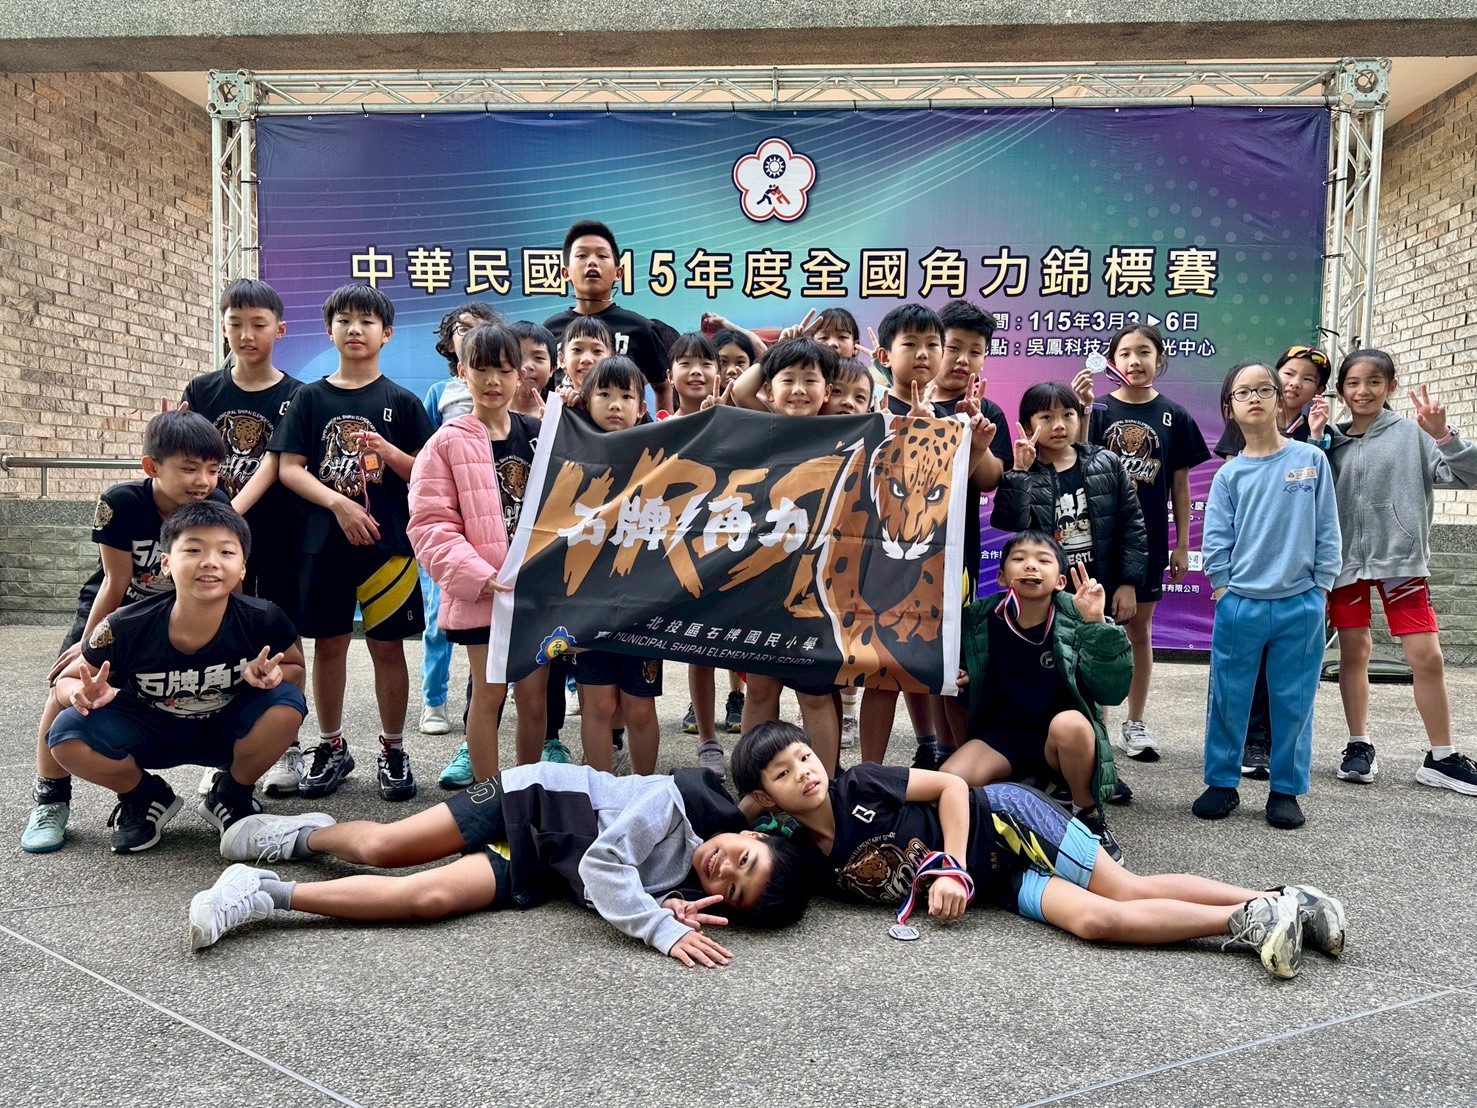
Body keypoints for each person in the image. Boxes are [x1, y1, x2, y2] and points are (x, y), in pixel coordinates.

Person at [732, 723, 1345, 980]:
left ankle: (1275, 900)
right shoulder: (805, 857)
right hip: (995, 883)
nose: (804, 773)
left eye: (805, 756)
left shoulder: (860, 783)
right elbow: (725, 846)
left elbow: (951, 787)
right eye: (783, 773)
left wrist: (950, 867)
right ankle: (1255, 916)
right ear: (765, 798)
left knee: (1125, 888)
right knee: (1097, 922)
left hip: (1006, 821)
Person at [190, 763, 812, 967]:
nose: (723, 870)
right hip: (531, 797)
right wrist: (657, 926)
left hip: (543, 861)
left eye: (733, 890)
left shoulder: (689, 883)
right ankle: (303, 838)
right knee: (386, 848)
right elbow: (605, 864)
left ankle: (263, 892)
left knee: (427, 900)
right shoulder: (675, 800)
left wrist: (667, 904)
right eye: (744, 857)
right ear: (750, 832)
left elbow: (610, 884)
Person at [21, 409, 231, 854]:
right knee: (66, 687)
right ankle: (51, 801)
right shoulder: (121, 503)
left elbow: (226, 573)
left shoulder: (216, 503)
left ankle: (222, 781)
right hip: (118, 606)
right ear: (152, 466)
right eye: (189, 469)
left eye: (213, 469)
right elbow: (115, 583)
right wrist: (87, 646)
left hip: (178, 611)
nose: (203, 481)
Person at [46, 500, 306, 854]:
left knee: (287, 704)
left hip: (224, 729)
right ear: (166, 563)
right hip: (149, 730)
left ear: (242, 567)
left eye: (226, 552)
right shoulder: (125, 625)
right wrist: (78, 691)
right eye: (194, 549)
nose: (210, 561)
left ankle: (231, 794)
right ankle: (144, 797)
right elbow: (65, 681)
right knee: (66, 734)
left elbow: (294, 669)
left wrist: (271, 675)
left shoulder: (264, 619)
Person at [270, 283, 435, 803]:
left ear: (387, 334)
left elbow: (425, 474)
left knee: (388, 648)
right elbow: (290, 468)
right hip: (323, 546)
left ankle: (394, 749)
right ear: (329, 330)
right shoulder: (309, 398)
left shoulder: (402, 402)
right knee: (329, 646)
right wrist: (338, 505)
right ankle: (331, 745)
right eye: (344, 320)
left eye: (367, 321)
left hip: (389, 550)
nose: (354, 329)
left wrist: (388, 452)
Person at [1319, 349, 1477, 795]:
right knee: (1354, 652)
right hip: (1345, 564)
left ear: (1390, 387)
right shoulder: (1329, 440)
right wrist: (1314, 440)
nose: (1363, 391)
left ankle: (1442, 757)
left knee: (1427, 657)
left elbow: (1468, 475)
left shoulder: (1413, 434)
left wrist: (1443, 435)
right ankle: (1358, 744)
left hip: (1400, 562)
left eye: (1374, 381)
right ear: (1340, 390)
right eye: (1353, 383)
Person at [862, 302, 1007, 770]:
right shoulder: (876, 408)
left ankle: (955, 765)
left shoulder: (979, 412)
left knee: (949, 665)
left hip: (951, 562)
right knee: (883, 667)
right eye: (952, 347)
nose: (960, 359)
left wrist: (975, 441)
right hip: (882, 560)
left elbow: (989, 479)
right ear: (889, 355)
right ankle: (874, 772)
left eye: (973, 351)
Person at [1195, 363, 1340, 829]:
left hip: (1301, 602)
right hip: (1240, 603)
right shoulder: (1230, 474)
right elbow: (1216, 539)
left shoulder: (1310, 460)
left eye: (1264, 389)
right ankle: (1221, 783)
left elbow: (1327, 528)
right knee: (1229, 697)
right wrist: (1223, 588)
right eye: (1242, 392)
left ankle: (1286, 789)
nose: (1254, 397)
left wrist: (1321, 588)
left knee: (1293, 701)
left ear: (1280, 399)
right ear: (1229, 408)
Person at [179, 280, 304, 797]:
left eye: (258, 324)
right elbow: (183, 453)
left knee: (278, 636)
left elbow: (274, 462)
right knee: (219, 635)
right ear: (223, 327)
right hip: (212, 539)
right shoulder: (202, 390)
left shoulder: (296, 394)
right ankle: (225, 747)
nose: (246, 335)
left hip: (276, 535)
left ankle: (287, 744)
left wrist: (228, 514)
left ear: (280, 329)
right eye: (236, 324)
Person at [409, 322, 546, 788]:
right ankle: (489, 798)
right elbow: (429, 525)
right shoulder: (445, 442)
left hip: (535, 595)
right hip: (484, 593)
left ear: (520, 374)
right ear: (462, 372)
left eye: (504, 370)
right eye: (482, 369)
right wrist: (478, 575)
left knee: (534, 698)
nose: (493, 381)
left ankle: (526, 790)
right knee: (488, 695)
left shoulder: (539, 435)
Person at [939, 531, 1128, 859]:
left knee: (1071, 724)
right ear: (1001, 577)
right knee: (949, 782)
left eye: (1043, 560)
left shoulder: (1079, 616)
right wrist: (964, 676)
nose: (1030, 566)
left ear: (1060, 581)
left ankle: (1087, 813)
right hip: (1001, 738)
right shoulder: (979, 619)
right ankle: (1019, 790)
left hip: (1057, 740)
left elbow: (1112, 690)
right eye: (1019, 559)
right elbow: (957, 677)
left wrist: (1096, 623)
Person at [1077, 324, 1211, 763]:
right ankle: (1093, 724)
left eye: (1144, 352)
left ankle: (1134, 723)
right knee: (1091, 631)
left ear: (1160, 359)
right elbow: (1076, 462)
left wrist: (1181, 544)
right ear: (1113, 360)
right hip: (1097, 541)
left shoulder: (1175, 415)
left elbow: (1180, 485)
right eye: (1126, 353)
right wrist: (1082, 410)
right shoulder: (1097, 410)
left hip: (1149, 542)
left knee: (1139, 632)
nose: (1135, 361)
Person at [725, 337, 846, 772]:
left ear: (827, 391)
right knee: (760, 690)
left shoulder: (841, 431)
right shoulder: (767, 424)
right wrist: (776, 351)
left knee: (815, 695)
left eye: (810, 380)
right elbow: (740, 391)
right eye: (787, 380)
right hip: (763, 582)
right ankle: (757, 782)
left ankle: (824, 789)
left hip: (815, 589)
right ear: (769, 390)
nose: (798, 390)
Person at [563, 356, 668, 774]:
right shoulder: (570, 446)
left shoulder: (660, 451)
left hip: (643, 607)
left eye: (626, 396)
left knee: (640, 707)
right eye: (603, 394)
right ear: (585, 401)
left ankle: (644, 789)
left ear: (641, 407)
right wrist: (565, 408)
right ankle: (599, 790)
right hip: (587, 605)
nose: (615, 404)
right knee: (598, 704)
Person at [417, 301, 500, 741]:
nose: (472, 334)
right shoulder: (440, 394)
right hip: (455, 530)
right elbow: (424, 460)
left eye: (483, 327)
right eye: (463, 329)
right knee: (438, 617)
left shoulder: (519, 406)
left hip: (496, 531)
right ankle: (434, 699)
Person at [543, 220, 673, 413]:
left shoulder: (640, 328)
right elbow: (544, 392)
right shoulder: (550, 330)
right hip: (569, 429)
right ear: (565, 272)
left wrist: (663, 427)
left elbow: (662, 387)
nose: (592, 262)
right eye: (581, 255)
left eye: (602, 255)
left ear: (618, 273)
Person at [509, 320, 557, 420]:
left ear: (552, 369)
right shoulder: (486, 414)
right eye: (518, 357)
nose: (528, 366)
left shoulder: (560, 416)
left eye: (539, 358)